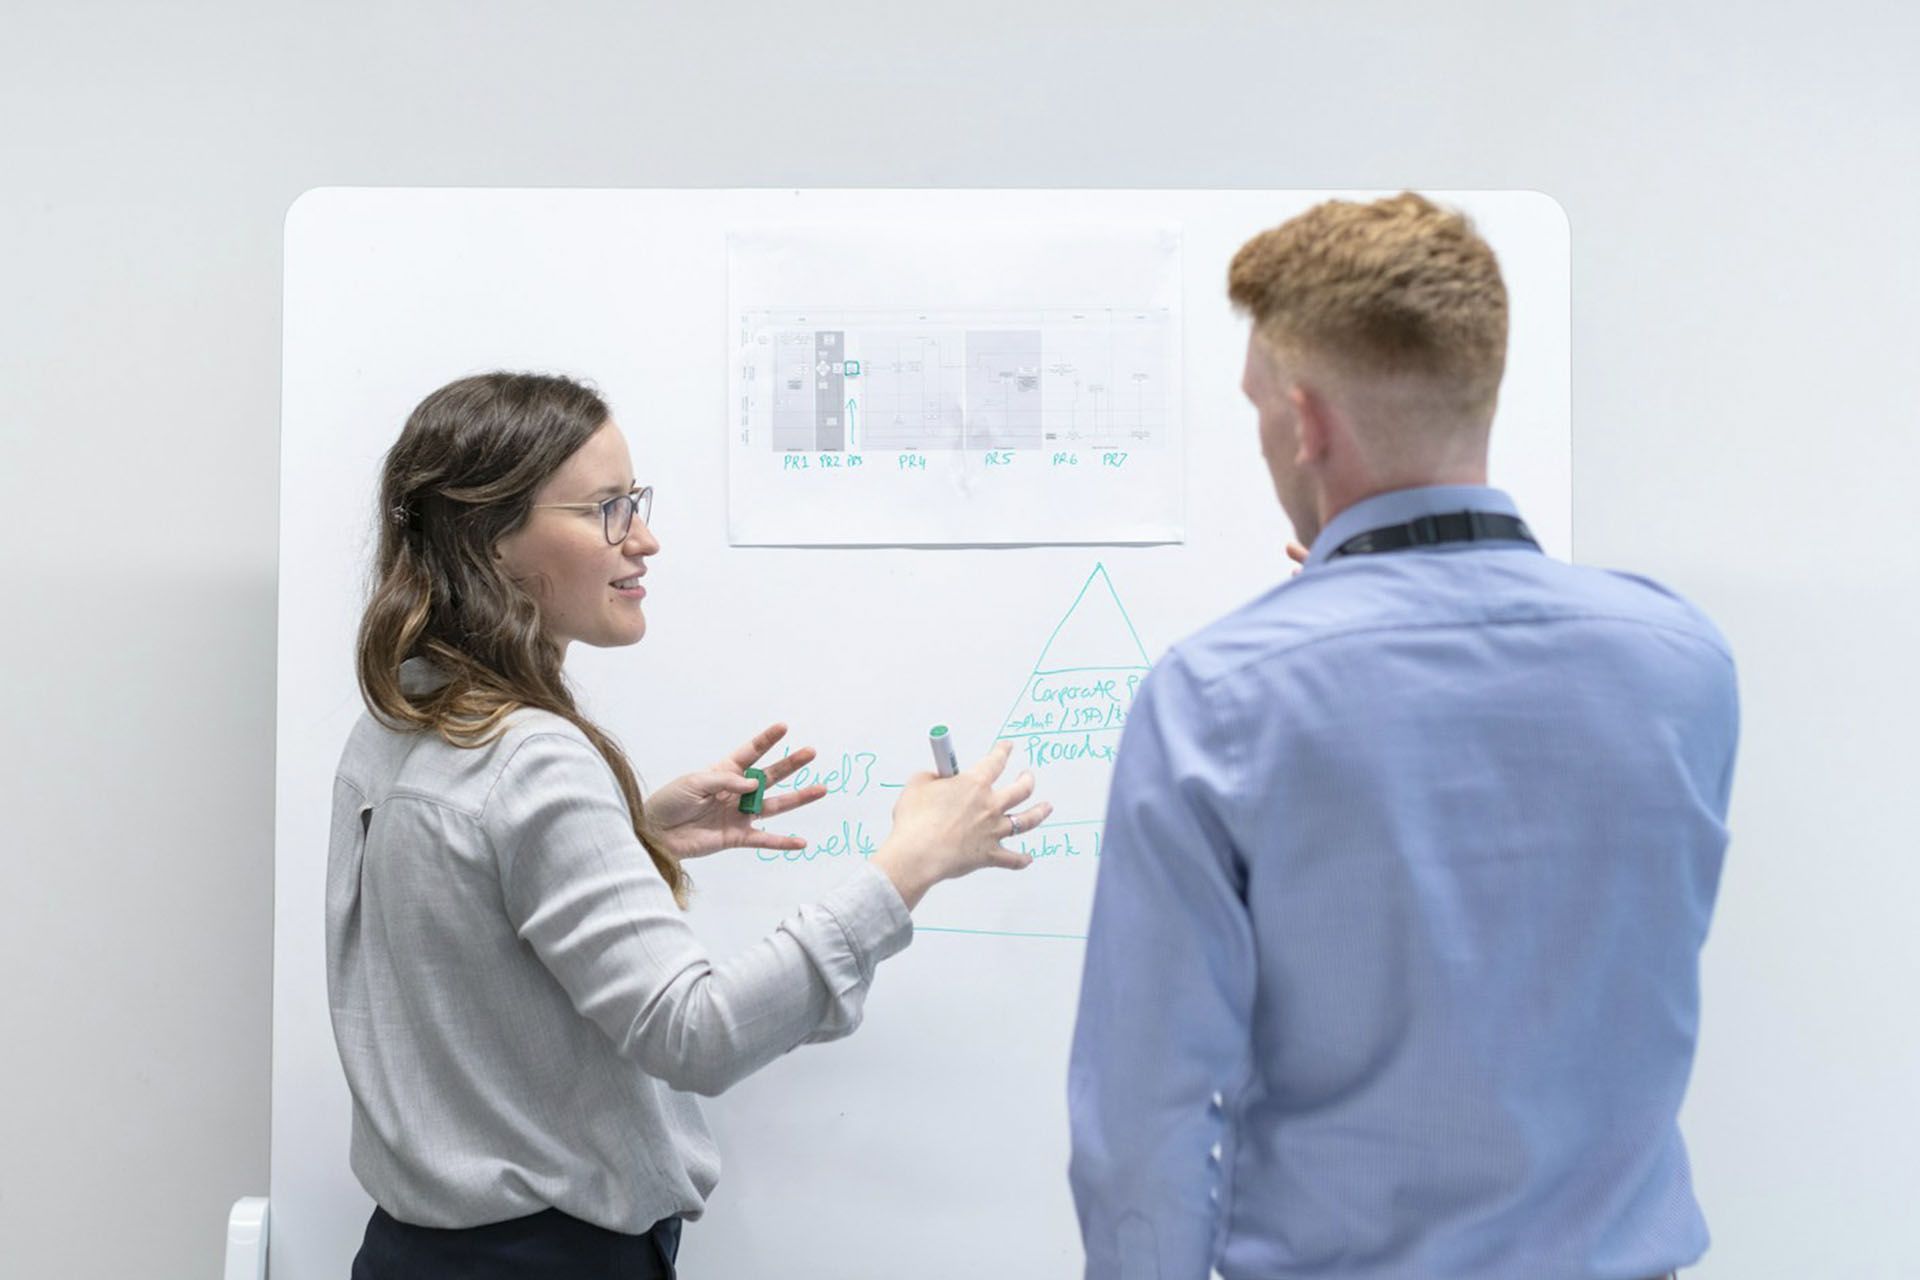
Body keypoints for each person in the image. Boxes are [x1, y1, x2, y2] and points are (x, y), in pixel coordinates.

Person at [1067, 193, 1737, 1280]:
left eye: (1256, 411)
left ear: (1305, 420)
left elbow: (1147, 1113)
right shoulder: (1681, 663)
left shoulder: (1217, 699)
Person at [328, 371, 1051, 1279]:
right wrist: (908, 865)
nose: (645, 538)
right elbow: (697, 1033)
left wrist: (635, 837)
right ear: (493, 540)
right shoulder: (532, 760)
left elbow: (462, 935)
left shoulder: (402, 720)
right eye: (608, 509)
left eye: (638, 502)